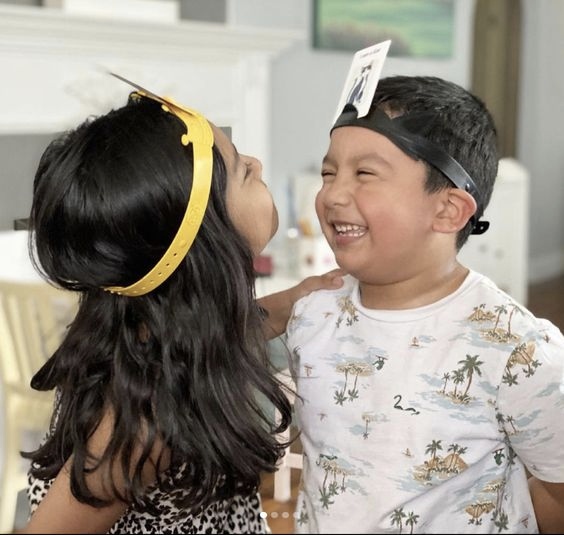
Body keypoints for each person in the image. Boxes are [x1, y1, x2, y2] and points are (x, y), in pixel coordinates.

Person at [19, 84, 342, 534]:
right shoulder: (145, 417)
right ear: (205, 242)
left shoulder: (159, 338)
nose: (257, 164)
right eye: (242, 172)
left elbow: (213, 342)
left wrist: (293, 300)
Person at [284, 75, 564, 534]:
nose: (332, 194)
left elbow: (557, 490)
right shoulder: (313, 315)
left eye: (365, 174)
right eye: (328, 172)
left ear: (449, 210)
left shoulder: (518, 351)